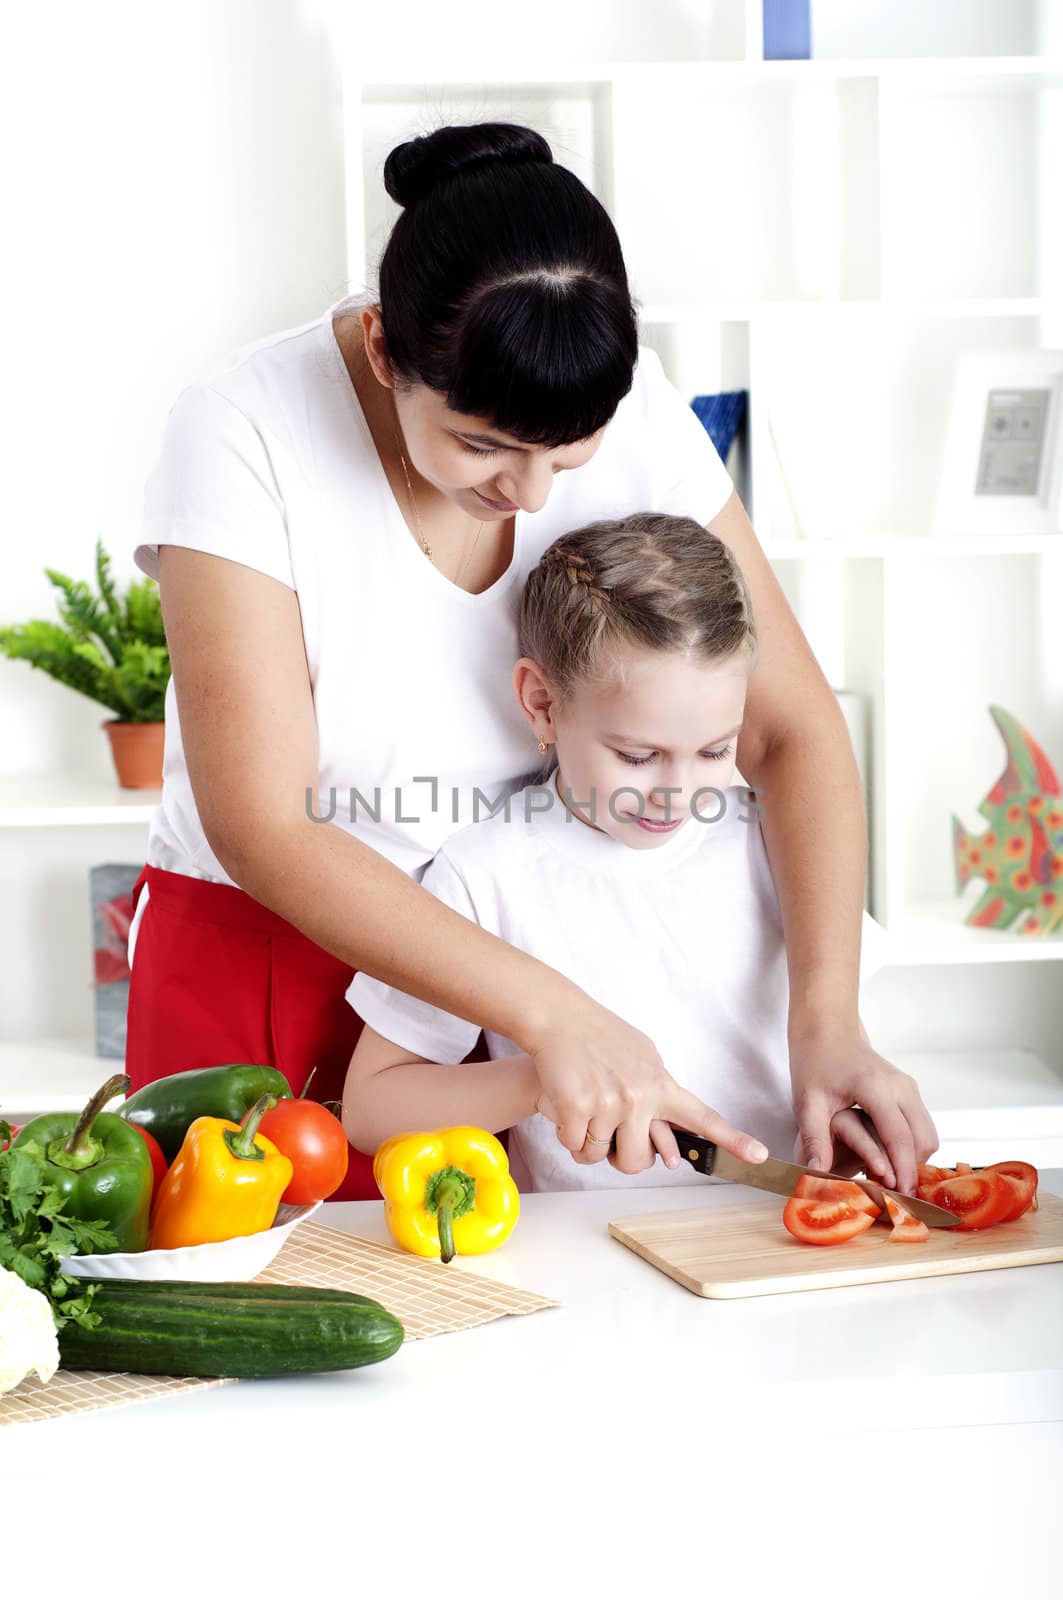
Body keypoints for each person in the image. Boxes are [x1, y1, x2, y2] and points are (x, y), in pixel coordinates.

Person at [125, 120, 937, 1203]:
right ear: (381, 347)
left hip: (532, 972)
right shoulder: (242, 428)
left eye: (570, 452)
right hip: (277, 962)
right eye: (483, 445)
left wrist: (826, 1019)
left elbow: (785, 726)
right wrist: (549, 1012)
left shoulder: (618, 398)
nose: (534, 492)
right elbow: (264, 821)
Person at [341, 514, 902, 1189]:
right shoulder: (485, 873)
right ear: (542, 703)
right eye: (638, 756)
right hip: (593, 1257)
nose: (678, 792)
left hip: (780, 1234)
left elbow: (847, 1033)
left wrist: (855, 1123)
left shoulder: (775, 841)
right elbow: (371, 1108)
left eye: (715, 750)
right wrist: (538, 1077)